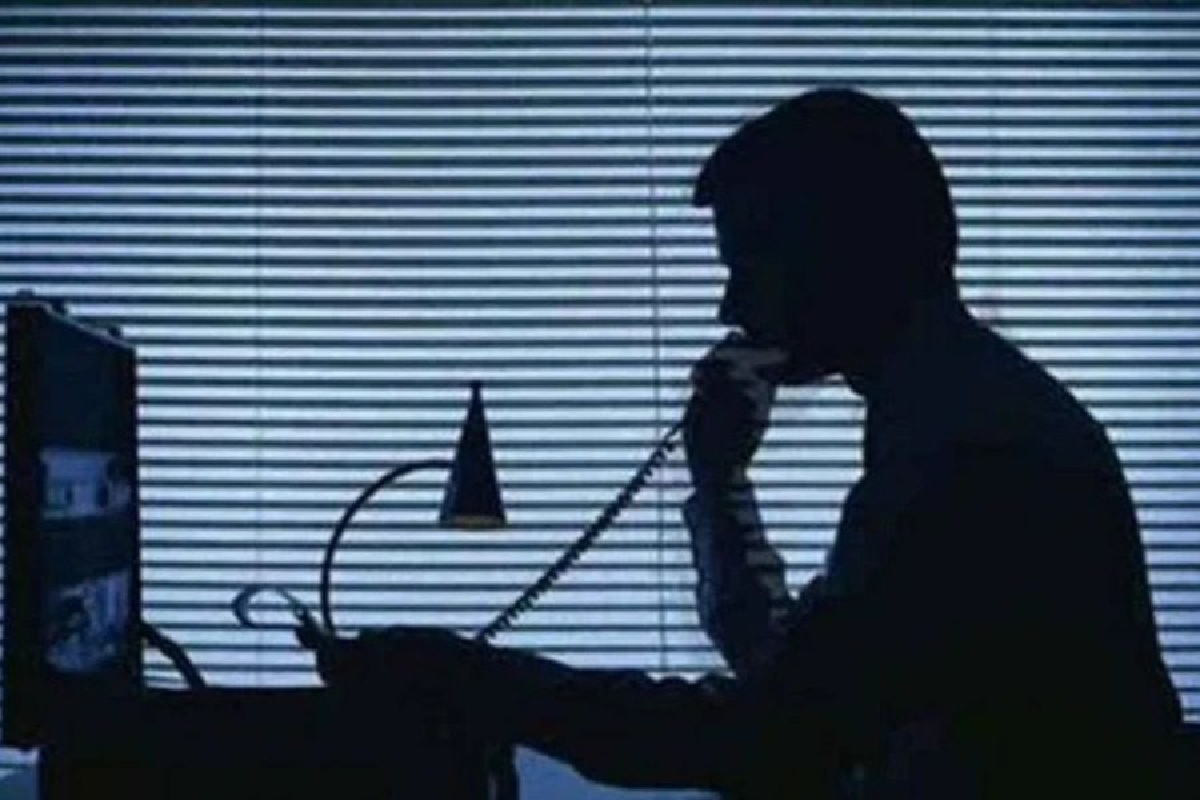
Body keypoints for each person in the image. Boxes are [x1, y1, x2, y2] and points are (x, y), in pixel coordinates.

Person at [300, 88, 1186, 798]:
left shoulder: (972, 456)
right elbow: (797, 683)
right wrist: (720, 480)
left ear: (841, 252)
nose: (729, 305)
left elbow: (765, 735)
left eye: (748, 265)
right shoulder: (954, 413)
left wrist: (478, 682)